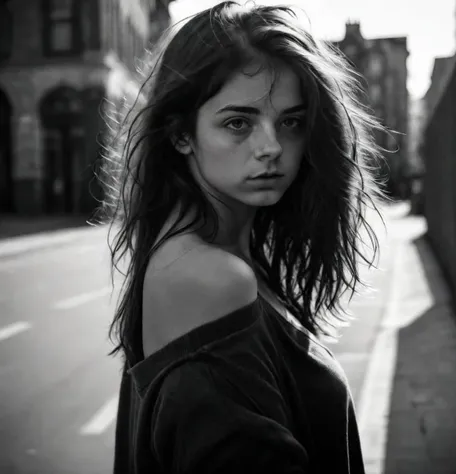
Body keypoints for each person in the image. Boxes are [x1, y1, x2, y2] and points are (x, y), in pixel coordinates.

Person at [98, 2, 386, 473]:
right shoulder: (210, 277)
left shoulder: (216, 255)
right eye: (238, 122)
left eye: (290, 121)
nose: (271, 146)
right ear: (180, 134)